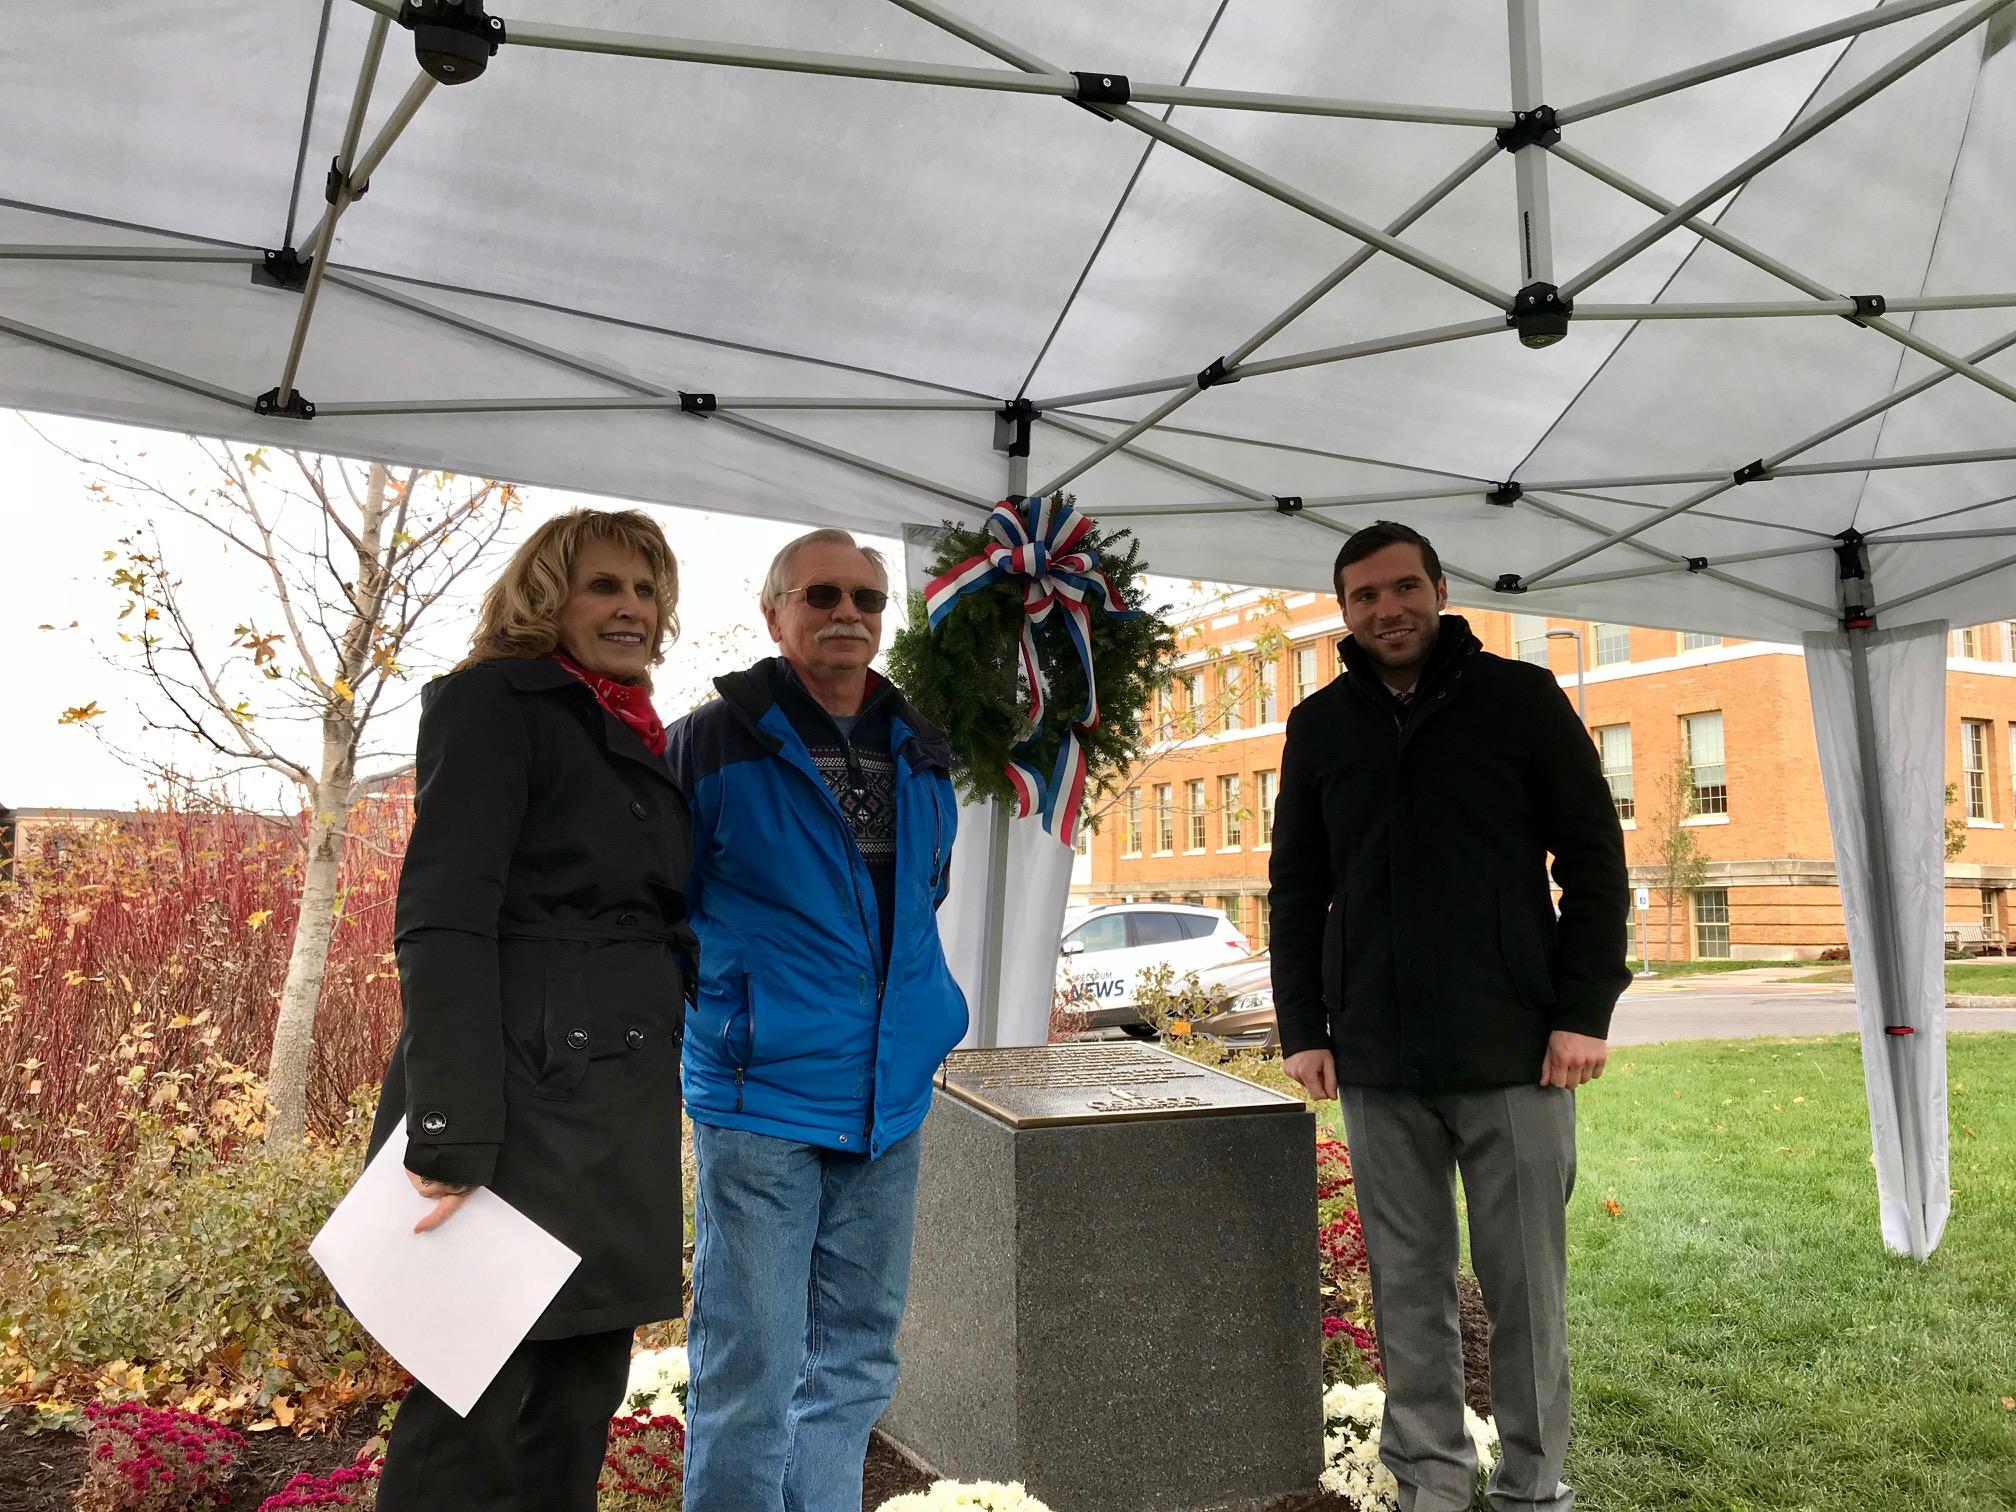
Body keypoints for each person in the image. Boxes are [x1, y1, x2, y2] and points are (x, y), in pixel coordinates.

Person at [1269, 520, 1627, 1512]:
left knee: (1525, 1298)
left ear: (1439, 587)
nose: (1386, 610)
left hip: (1516, 1054)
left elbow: (1596, 858)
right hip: (1377, 1062)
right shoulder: (1321, 725)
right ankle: (1430, 1482)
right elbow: (1296, 886)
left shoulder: (1521, 701)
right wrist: (1304, 1024)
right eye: (1363, 597)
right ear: (1343, 612)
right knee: (1407, 1292)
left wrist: (1583, 1009)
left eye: (1401, 589)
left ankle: (1532, 1490)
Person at [369, 508, 696, 1512]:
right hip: (516, 1099)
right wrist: (451, 1128)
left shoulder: (631, 726)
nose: (631, 608)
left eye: (645, 590)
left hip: (614, 1100)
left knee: (578, 1396)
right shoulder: (492, 702)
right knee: (475, 1403)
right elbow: (443, 918)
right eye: (605, 586)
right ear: (546, 597)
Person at [667, 526, 966, 1512]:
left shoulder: (923, 750)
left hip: (889, 1102)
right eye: (822, 595)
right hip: (762, 1099)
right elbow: (654, 910)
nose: (847, 615)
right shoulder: (709, 741)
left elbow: (922, 899)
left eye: (867, 600)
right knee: (749, 1374)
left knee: (853, 1370)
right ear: (775, 612)